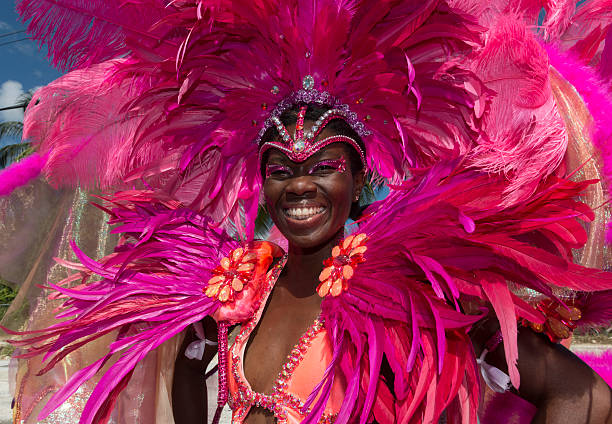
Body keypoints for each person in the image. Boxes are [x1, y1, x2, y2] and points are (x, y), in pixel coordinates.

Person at [4, 0, 612, 423]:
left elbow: (581, 393)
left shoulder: (410, 289)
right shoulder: (234, 288)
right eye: (280, 168)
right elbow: (186, 364)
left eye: (323, 165)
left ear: (357, 174)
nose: (300, 186)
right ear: (259, 180)